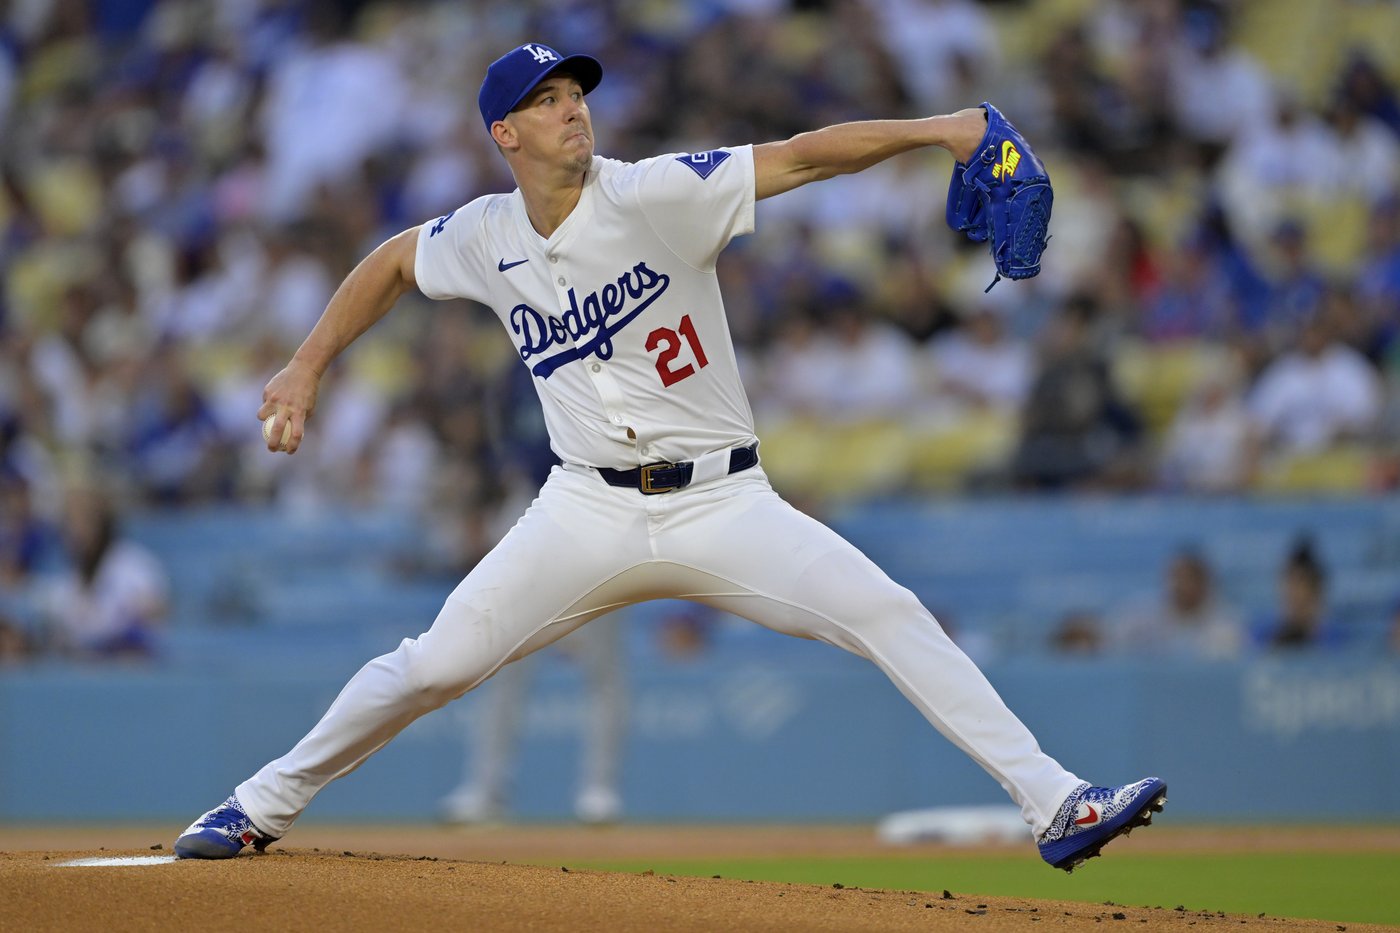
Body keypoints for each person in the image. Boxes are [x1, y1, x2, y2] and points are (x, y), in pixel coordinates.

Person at [173, 42, 1164, 872]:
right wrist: (306, 364)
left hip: (723, 503)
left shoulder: (653, 193)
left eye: (575, 94)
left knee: (888, 612)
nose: (573, 110)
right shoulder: (482, 233)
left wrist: (947, 129)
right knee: (432, 665)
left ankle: (1056, 803)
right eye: (546, 101)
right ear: (504, 135)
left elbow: (803, 157)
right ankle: (258, 805)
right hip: (585, 510)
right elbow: (392, 260)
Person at [1108, 548, 1244, 660]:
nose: (1180, 586)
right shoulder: (1141, 614)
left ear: (1203, 584)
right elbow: (1112, 643)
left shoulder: (1225, 624)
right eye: (1176, 578)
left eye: (1188, 579)